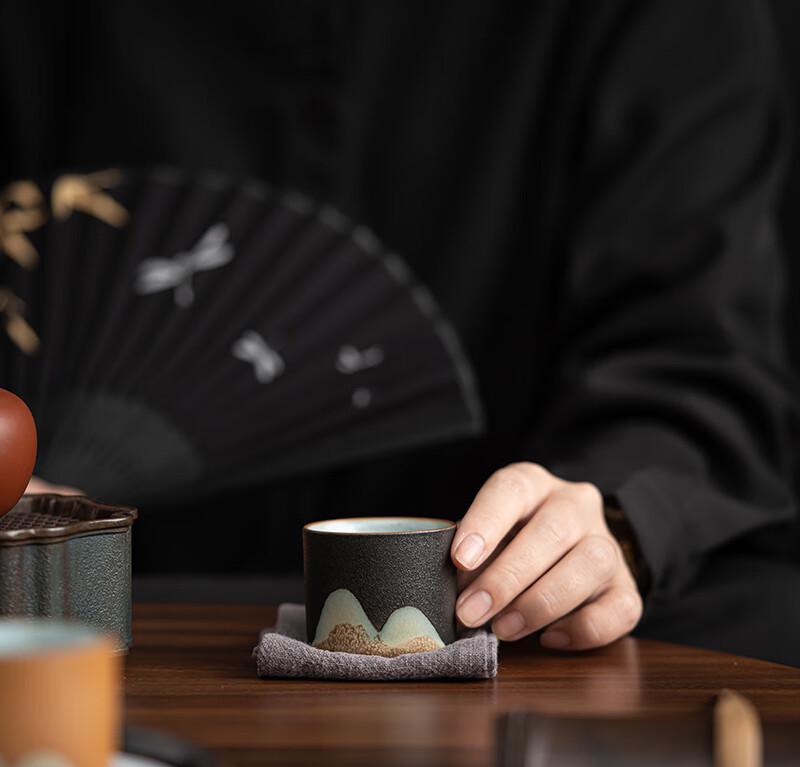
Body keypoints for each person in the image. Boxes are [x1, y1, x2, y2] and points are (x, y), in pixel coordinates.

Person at [8, 0, 800, 665]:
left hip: (484, 608)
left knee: (759, 623)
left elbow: (697, 348)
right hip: (113, 587)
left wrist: (611, 518)